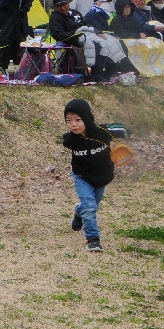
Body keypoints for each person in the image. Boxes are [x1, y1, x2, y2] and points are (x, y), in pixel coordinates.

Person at [63, 98, 115, 252]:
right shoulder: (70, 140)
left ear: (87, 118)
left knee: (93, 205)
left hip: (101, 176)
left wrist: (126, 132)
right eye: (69, 120)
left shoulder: (103, 132)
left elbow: (119, 130)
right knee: (90, 207)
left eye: (78, 120)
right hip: (81, 176)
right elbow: (66, 139)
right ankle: (93, 239)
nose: (73, 124)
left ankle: (78, 212)